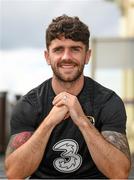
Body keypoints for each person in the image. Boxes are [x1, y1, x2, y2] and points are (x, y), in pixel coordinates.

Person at [5, 15, 131, 179]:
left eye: (75, 49)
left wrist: (81, 120)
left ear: (87, 55)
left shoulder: (107, 102)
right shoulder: (30, 104)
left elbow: (119, 173)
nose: (66, 57)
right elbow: (14, 173)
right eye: (58, 49)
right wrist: (49, 122)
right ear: (47, 57)